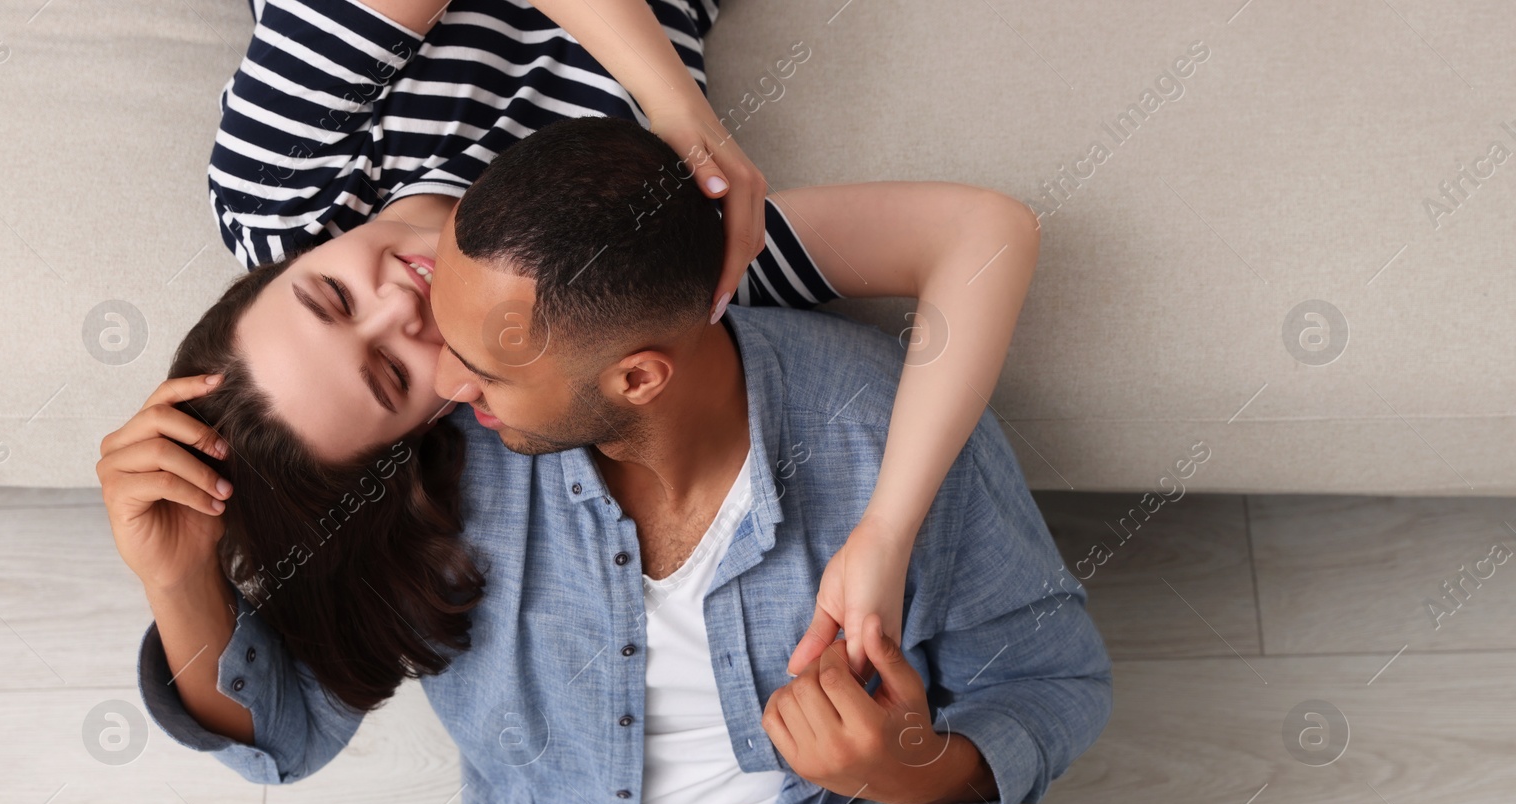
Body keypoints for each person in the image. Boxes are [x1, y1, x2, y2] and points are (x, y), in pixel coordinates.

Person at [114, 115, 1170, 804]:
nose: (444, 366)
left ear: (635, 376)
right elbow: (285, 730)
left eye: (484, 365)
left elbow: (1049, 667)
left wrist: (919, 766)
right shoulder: (435, 471)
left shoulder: (867, 415)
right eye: (401, 382)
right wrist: (178, 574)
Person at [98, 0, 1045, 719]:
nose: (395, 300)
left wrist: (675, 103)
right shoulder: (614, 285)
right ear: (445, 411)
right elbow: (984, 235)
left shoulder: (275, 194)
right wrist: (887, 528)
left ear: (284, 268)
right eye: (392, 373)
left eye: (330, 295)